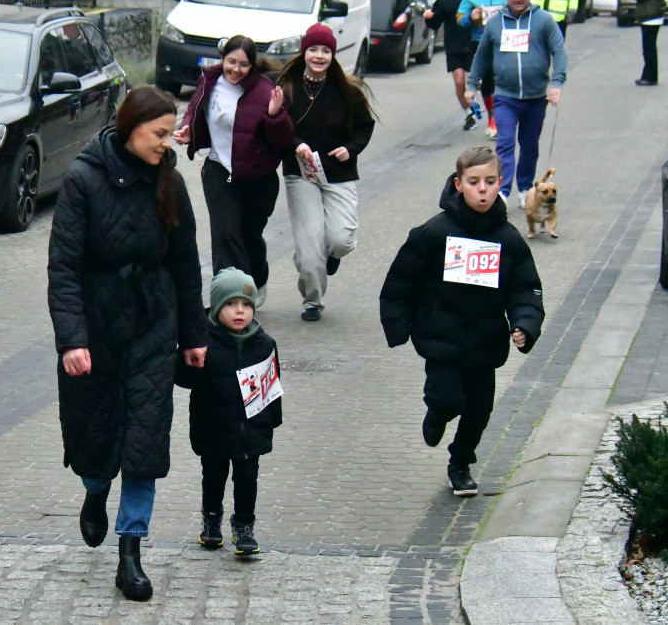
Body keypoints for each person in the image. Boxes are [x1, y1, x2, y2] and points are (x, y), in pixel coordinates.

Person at [47, 86, 208, 601]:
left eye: (170, 132)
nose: (168, 142)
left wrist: (193, 335)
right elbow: (64, 269)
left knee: (145, 440)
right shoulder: (82, 180)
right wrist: (72, 339)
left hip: (152, 325)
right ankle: (95, 493)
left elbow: (186, 265)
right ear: (130, 127)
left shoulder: (171, 183)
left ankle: (131, 549)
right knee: (96, 440)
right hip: (95, 328)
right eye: (159, 133)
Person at [379, 146, 545, 496]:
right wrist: (398, 322)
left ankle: (460, 463)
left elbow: (525, 288)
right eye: (473, 182)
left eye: (489, 182)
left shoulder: (508, 239)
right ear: (459, 185)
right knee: (449, 398)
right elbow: (401, 280)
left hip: (485, 342)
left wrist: (526, 323)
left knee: (479, 410)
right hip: (442, 339)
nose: (482, 189)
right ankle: (437, 414)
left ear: (500, 184)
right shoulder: (435, 232)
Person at [173, 35, 294, 309]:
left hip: (257, 179)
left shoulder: (266, 91)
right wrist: (188, 128)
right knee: (225, 236)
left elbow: (283, 139)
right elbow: (194, 108)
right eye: (231, 62)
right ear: (222, 59)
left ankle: (257, 277)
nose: (236, 69)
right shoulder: (209, 81)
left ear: (252, 66)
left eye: (243, 64)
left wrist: (275, 115)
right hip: (218, 170)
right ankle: (229, 299)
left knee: (248, 237)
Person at [175, 267, 282, 555]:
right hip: (212, 428)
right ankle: (211, 520)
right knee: (213, 477)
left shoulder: (264, 344)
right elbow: (184, 379)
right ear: (217, 307)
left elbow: (272, 385)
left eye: (246, 305)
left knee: (247, 478)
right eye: (231, 304)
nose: (240, 311)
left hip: (251, 429)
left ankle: (244, 525)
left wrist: (272, 421)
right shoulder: (204, 342)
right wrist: (187, 356)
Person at [275, 24, 376, 322]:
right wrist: (296, 145)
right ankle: (313, 301)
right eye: (313, 50)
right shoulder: (287, 86)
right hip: (300, 173)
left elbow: (364, 126)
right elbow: (277, 124)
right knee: (309, 246)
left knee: (340, 240)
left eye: (326, 51)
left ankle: (325, 257)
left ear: (333, 54)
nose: (319, 56)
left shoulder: (348, 90)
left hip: (338, 173)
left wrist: (351, 148)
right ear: (304, 53)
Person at [463, 0, 568, 208]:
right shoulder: (495, 23)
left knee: (530, 146)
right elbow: (481, 56)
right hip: (505, 96)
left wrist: (557, 83)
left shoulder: (543, 20)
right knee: (505, 143)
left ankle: (524, 188)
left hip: (536, 97)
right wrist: (471, 85)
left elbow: (559, 51)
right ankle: (502, 191)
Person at [457, 0, 506, 138]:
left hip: (504, 42)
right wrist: (471, 16)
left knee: (502, 80)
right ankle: (492, 117)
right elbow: (460, 19)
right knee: (487, 82)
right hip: (480, 42)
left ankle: (504, 117)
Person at [424, 0, 476, 130]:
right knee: (459, 82)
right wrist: (428, 17)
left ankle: (483, 106)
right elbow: (435, 22)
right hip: (453, 46)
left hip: (472, 44)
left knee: (476, 82)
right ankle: (470, 113)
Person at [616, 0, 668, 86]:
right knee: (649, 48)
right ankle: (649, 75)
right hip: (652, 16)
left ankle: (650, 76)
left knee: (649, 49)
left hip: (650, 16)